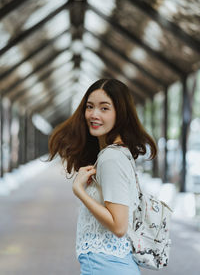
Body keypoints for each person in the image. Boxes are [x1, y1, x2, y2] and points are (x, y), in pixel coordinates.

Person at [48, 78, 157, 275]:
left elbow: (119, 225)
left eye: (104, 108)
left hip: (106, 266)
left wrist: (80, 191)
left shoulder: (111, 157)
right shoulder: (115, 154)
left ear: (120, 114)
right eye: (89, 107)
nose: (94, 114)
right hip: (108, 265)